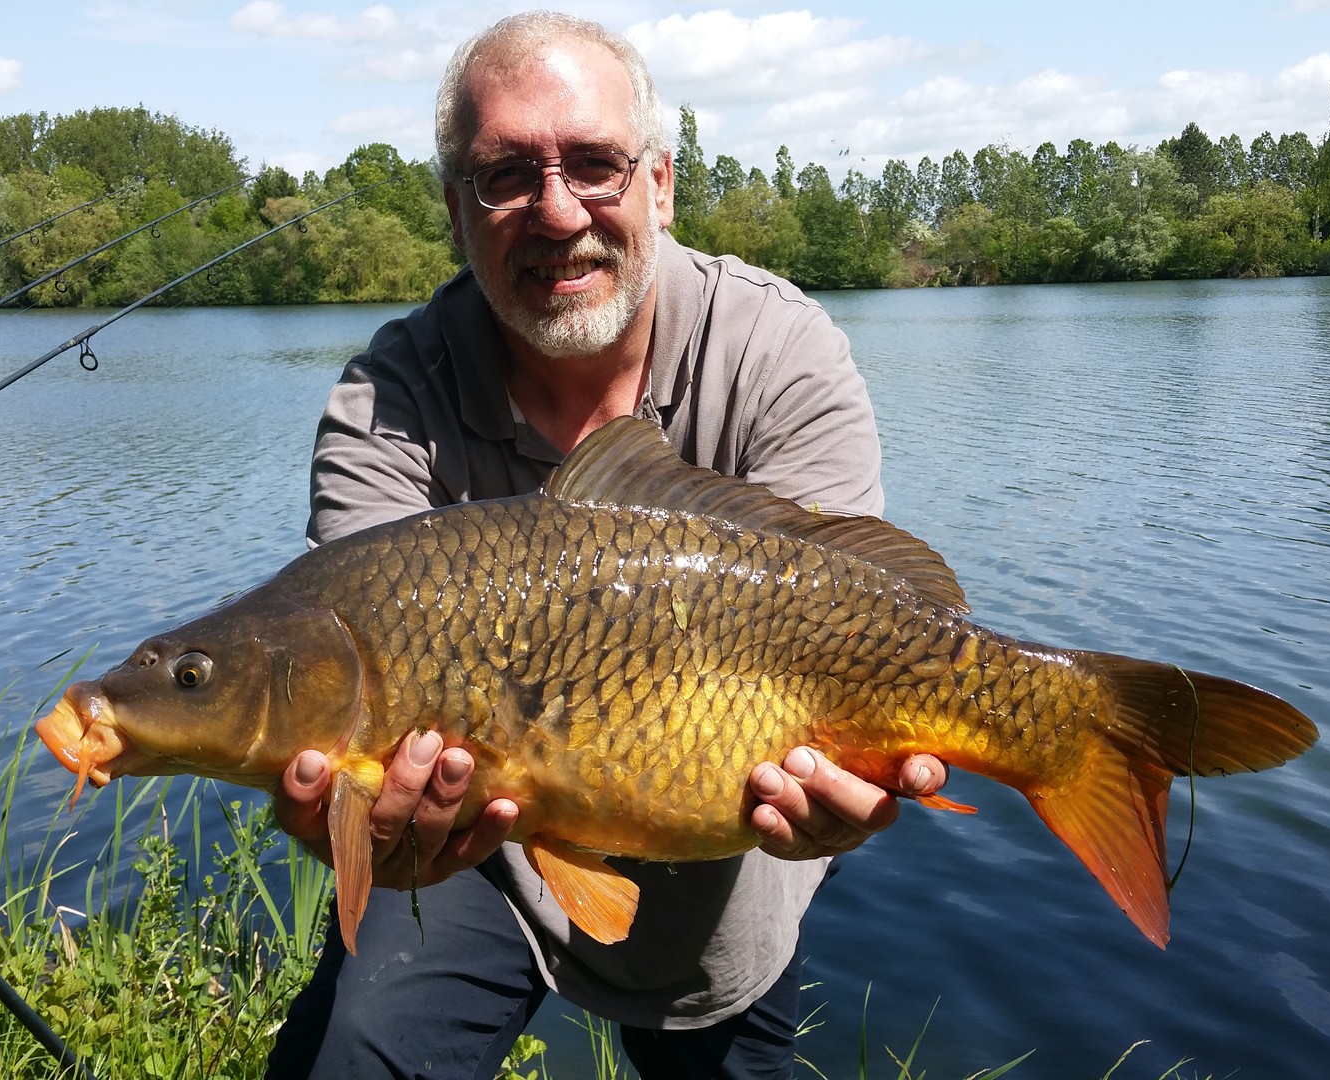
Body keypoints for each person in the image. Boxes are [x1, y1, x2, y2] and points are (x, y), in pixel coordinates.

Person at [262, 12, 948, 1080]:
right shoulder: (387, 399)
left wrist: (844, 798)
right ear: (455, 210)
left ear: (661, 186)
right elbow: (345, 668)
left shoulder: (780, 348)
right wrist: (353, 821)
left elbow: (867, 622)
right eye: (504, 176)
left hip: (721, 821)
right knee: (352, 1057)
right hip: (471, 845)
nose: (556, 209)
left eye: (595, 165)